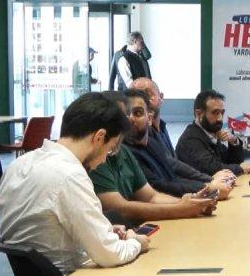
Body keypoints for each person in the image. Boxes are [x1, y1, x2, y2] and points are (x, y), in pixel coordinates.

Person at [0, 92, 149, 275]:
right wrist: (134, 242)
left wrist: (105, 230)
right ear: (99, 137)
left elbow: (47, 225)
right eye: (109, 150)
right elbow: (110, 254)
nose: (103, 160)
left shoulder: (17, 165)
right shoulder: (70, 175)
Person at [91, 91, 218, 224]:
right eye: (123, 117)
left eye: (127, 115)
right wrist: (182, 208)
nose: (129, 120)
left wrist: (194, 204)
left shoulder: (126, 151)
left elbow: (151, 196)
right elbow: (120, 208)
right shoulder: (96, 159)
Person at [123, 89, 233, 200]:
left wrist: (209, 181)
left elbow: (174, 170)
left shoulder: (152, 142)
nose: (130, 118)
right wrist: (208, 187)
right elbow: (160, 186)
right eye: (125, 114)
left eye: (138, 113)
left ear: (150, 118)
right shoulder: (126, 152)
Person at [176, 89, 250, 176]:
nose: (220, 118)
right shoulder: (190, 139)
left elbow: (233, 162)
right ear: (198, 114)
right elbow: (210, 169)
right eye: (215, 113)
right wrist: (240, 169)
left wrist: (233, 141)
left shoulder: (210, 133)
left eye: (222, 113)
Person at [129, 77, 176, 157]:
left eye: (147, 95)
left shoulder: (161, 126)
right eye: (137, 97)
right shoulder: (141, 136)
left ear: (161, 97)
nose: (143, 101)